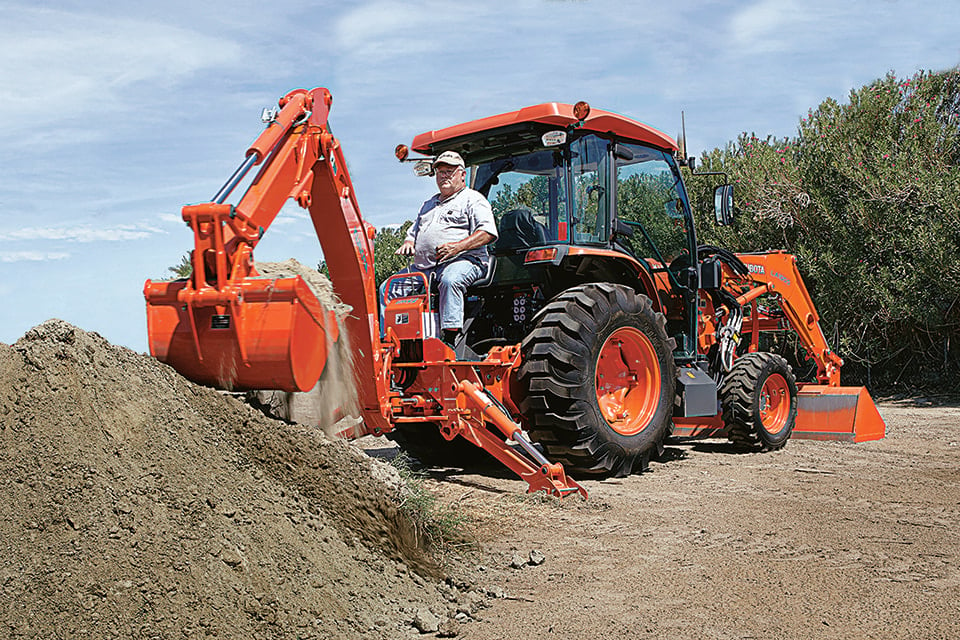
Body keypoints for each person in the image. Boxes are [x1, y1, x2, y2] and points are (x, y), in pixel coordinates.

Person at [392, 150, 497, 347]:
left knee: (450, 279)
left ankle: (449, 338)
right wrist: (408, 243)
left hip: (465, 261)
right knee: (389, 288)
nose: (444, 176)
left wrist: (457, 248)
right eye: (441, 172)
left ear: (462, 174)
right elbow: (414, 232)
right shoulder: (429, 204)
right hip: (425, 268)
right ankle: (387, 338)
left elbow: (487, 232)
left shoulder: (472, 199)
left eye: (450, 171)